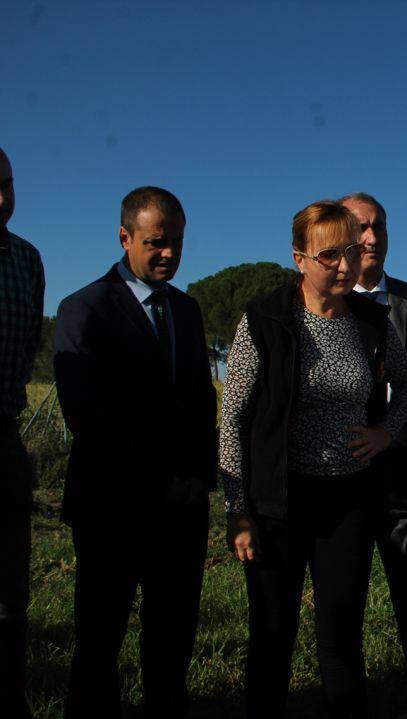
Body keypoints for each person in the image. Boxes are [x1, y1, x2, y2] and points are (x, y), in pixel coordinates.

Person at [220, 200, 407, 717]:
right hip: (279, 500)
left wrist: (386, 433)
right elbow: (234, 416)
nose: (343, 264)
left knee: (340, 630)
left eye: (351, 251)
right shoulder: (264, 320)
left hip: (349, 499)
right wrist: (238, 509)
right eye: (328, 253)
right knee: (272, 630)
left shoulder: (372, 321)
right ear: (299, 259)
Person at [53, 187, 217, 718]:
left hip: (181, 509)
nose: (168, 253)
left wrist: (197, 479)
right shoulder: (84, 309)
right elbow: (88, 415)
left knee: (171, 644)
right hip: (112, 508)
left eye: (177, 242)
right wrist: (158, 480)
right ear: (125, 238)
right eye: (155, 242)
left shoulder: (188, 312)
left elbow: (198, 403)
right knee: (100, 642)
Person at [339, 192, 407, 702]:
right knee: (343, 601)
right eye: (360, 227)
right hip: (342, 478)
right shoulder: (320, 304)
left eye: (379, 225)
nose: (372, 237)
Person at [0, 147, 44, 719]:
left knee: (10, 591)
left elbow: (30, 339)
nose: (0, 198)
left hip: (4, 440)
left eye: (6, 183)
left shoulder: (26, 260)